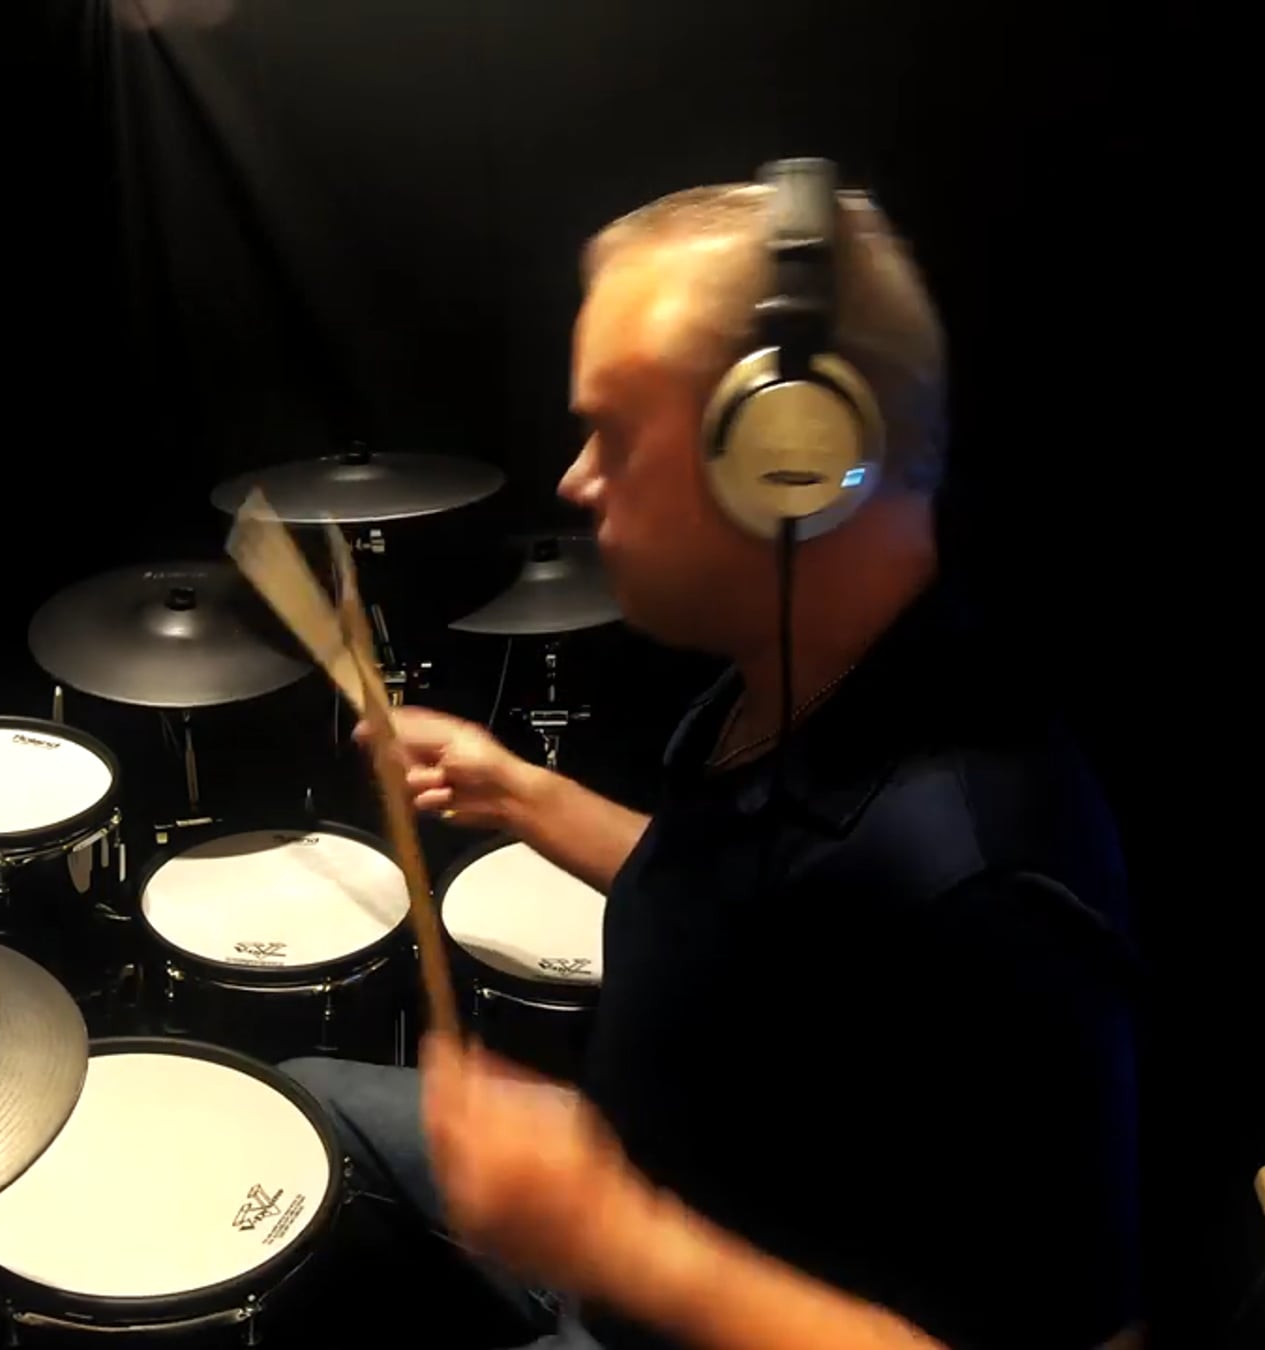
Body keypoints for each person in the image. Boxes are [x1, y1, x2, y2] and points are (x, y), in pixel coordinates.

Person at [284, 176, 1137, 1350]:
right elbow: (744, 911)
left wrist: (609, 1235)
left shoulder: (986, 880)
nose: (576, 479)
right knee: (300, 1106)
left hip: (652, 1291)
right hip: (632, 1212)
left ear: (791, 458)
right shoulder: (789, 680)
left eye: (616, 433)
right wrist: (517, 791)